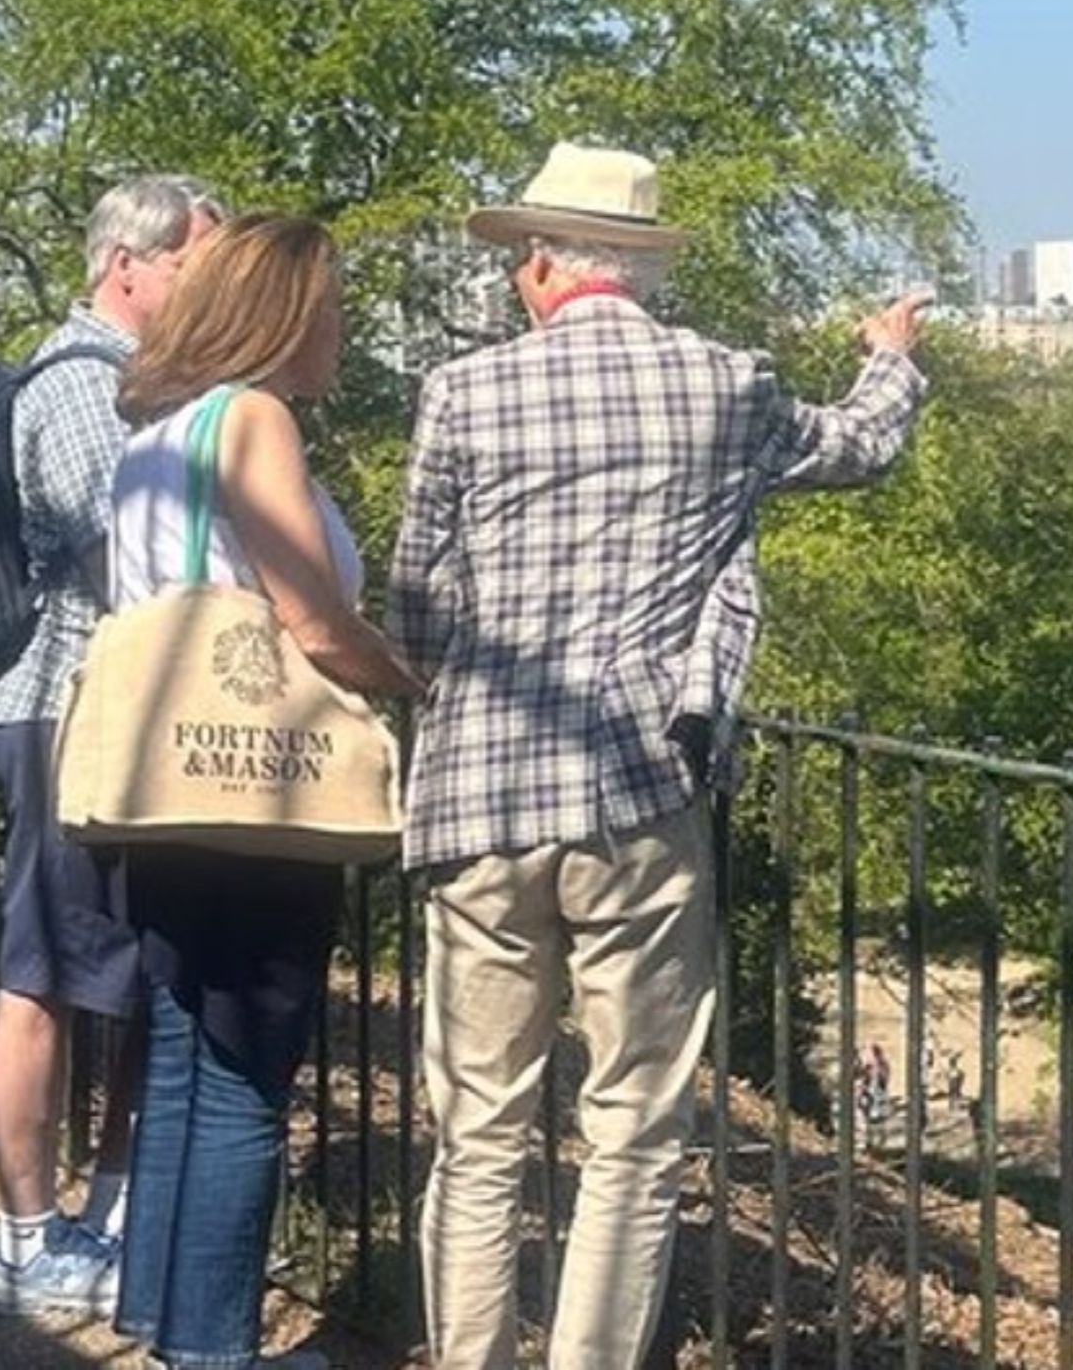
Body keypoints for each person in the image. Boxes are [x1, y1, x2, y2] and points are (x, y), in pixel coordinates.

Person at [391, 143, 930, 1368]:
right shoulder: (727, 387)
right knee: (632, 1127)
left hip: (479, 790)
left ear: (538, 266)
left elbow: (417, 607)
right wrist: (891, 353)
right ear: (642, 270)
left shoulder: (460, 395)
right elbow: (858, 445)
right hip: (640, 789)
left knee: (478, 1129)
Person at [103, 213, 420, 1370]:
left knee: (188, 1058)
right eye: (334, 304)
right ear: (284, 312)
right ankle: (215, 1351)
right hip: (256, 795)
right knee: (246, 1079)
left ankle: (163, 1319)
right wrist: (410, 676)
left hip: (165, 785)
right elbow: (310, 620)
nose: (345, 327)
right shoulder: (254, 417)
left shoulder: (159, 426)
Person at [0, 174, 225, 1317]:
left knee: (128, 972)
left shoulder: (141, 384)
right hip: (63, 706)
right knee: (41, 975)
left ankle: (111, 1214)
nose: (210, 288)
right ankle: (27, 1238)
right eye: (195, 266)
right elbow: (110, 547)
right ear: (130, 263)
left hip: (114, 711)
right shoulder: (81, 381)